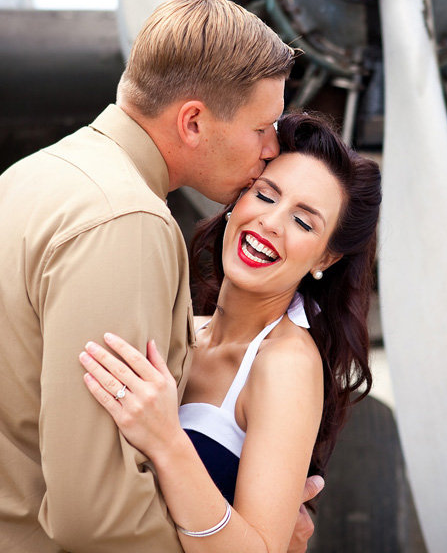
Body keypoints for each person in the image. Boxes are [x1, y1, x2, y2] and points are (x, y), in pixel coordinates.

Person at [0, 0, 325, 552]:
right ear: (193, 121)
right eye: (261, 127)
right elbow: (97, 515)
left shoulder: (31, 175)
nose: (272, 148)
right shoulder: (127, 220)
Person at [79, 111, 382, 552]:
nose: (272, 223)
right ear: (237, 200)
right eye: (265, 195)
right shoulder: (182, 324)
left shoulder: (286, 365)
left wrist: (166, 441)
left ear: (325, 260)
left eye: (303, 222)